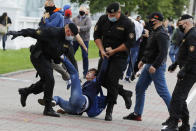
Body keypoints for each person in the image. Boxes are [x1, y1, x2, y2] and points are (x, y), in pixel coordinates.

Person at [7, 23, 82, 117]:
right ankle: (48, 109)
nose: (70, 36)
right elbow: (34, 32)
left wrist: (76, 77)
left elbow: (72, 60)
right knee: (50, 80)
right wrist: (18, 33)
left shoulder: (67, 43)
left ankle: (25, 92)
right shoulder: (52, 32)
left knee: (45, 83)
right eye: (69, 33)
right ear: (66, 28)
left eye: (72, 35)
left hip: (47, 59)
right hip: (38, 56)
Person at [123, 12, 171, 121]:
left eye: (151, 19)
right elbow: (151, 49)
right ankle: (137, 114)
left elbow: (163, 53)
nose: (149, 21)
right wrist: (143, 61)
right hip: (149, 65)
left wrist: (155, 65)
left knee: (162, 91)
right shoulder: (154, 32)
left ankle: (175, 116)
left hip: (156, 67)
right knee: (139, 87)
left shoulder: (162, 34)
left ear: (156, 20)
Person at [94, 2, 136, 121]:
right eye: (109, 14)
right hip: (104, 55)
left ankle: (109, 110)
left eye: (113, 14)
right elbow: (96, 35)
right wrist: (102, 50)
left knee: (112, 81)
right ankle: (124, 92)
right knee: (100, 79)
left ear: (119, 12)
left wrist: (114, 51)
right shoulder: (103, 19)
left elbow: (130, 43)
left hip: (119, 56)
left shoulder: (127, 23)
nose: (110, 16)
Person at [38, 56, 108, 117]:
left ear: (94, 77)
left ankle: (62, 57)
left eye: (90, 73)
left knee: (74, 73)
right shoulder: (86, 83)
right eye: (88, 72)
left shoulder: (95, 83)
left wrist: (106, 58)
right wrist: (66, 111)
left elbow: (102, 72)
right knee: (58, 99)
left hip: (81, 101)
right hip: (74, 109)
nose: (88, 73)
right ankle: (50, 102)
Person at [161, 14, 196, 131]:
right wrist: (175, 64)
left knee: (178, 97)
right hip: (187, 70)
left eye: (180, 24)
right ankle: (185, 125)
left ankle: (173, 123)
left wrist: (184, 70)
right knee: (180, 97)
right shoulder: (188, 34)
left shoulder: (192, 35)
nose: (179, 26)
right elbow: (184, 53)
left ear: (186, 23)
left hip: (190, 71)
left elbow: (192, 57)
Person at [72, 6, 92, 78]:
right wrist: (75, 28)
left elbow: (88, 27)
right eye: (80, 10)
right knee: (71, 53)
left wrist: (80, 28)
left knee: (85, 56)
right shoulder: (75, 18)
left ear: (85, 12)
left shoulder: (87, 18)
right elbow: (72, 26)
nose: (81, 12)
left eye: (82, 11)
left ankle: (85, 72)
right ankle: (67, 69)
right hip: (76, 39)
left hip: (84, 39)